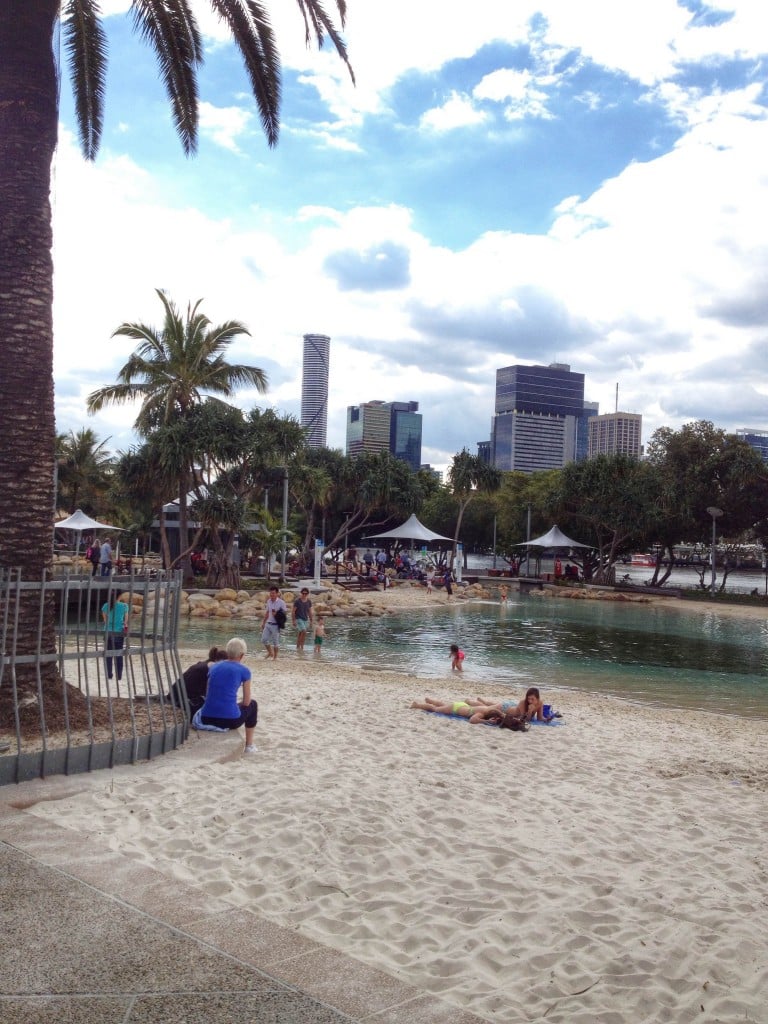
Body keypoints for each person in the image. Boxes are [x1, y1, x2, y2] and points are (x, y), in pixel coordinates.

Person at [197, 636, 258, 754]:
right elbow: (246, 702)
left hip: (206, 717)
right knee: (253, 705)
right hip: (229, 720)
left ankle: (249, 745)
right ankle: (249, 745)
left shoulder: (214, 667)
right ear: (241, 655)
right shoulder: (244, 670)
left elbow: (208, 692)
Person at [170, 646, 228, 715]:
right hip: (181, 702)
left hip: (174, 697)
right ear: (221, 661)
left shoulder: (204, 664)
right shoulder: (212, 667)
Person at [409, 697, 527, 730]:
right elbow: (472, 720)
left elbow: (501, 714)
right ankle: (418, 705)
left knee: (443, 705)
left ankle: (431, 700)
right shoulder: (482, 713)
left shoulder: (491, 711)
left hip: (463, 706)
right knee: (434, 709)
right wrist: (485, 721)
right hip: (456, 708)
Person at [469, 687, 556, 722]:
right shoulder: (523, 702)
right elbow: (525, 719)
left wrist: (546, 719)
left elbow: (540, 718)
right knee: (486, 708)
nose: (530, 701)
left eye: (532, 699)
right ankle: (469, 702)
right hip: (506, 708)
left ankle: (483, 700)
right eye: (528, 698)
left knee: (489, 704)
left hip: (514, 705)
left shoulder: (540, 703)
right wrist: (529, 711)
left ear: (538, 698)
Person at [101, 591, 129, 682]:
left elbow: (105, 621)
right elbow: (125, 622)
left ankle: (109, 675)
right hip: (119, 633)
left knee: (108, 654)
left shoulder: (106, 606)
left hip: (108, 632)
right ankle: (119, 676)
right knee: (119, 654)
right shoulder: (124, 606)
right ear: (119, 596)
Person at [261, 585, 288, 660]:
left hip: (276, 625)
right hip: (268, 623)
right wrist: (263, 622)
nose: (272, 595)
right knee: (264, 639)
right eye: (271, 593)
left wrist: (277, 613)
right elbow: (267, 612)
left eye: (273, 593)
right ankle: (270, 652)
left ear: (277, 593)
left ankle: (275, 657)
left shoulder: (281, 602)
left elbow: (285, 613)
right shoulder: (268, 601)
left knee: (275, 642)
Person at [292, 587, 313, 651]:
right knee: (304, 631)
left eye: (305, 594)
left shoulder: (309, 601)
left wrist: (311, 620)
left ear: (307, 594)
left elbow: (309, 611)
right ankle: (302, 647)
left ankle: (298, 646)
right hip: (298, 618)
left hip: (305, 619)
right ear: (301, 593)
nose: (304, 595)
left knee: (301, 632)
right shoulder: (297, 601)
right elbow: (293, 611)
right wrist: (293, 621)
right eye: (303, 593)